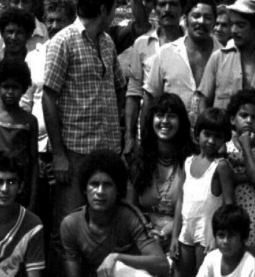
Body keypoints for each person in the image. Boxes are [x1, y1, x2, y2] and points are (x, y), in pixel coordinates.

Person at [42, 0, 126, 264]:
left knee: (102, 228)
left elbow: (118, 87)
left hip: (106, 153)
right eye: (114, 8)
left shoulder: (107, 41)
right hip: (75, 153)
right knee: (67, 228)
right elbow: (48, 98)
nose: (115, 14)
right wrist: (59, 154)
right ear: (103, 9)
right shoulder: (63, 41)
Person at [22, 0, 77, 247]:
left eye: (61, 21)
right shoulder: (34, 56)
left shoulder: (78, 52)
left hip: (66, 149)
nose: (55, 26)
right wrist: (31, 148)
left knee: (63, 218)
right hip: (37, 149)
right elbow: (25, 102)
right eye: (51, 20)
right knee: (36, 214)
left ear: (72, 22)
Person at [61, 149, 168, 277]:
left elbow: (162, 264)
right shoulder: (71, 224)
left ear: (118, 189)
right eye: (94, 184)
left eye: (107, 185)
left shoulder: (129, 216)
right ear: (85, 189)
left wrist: (117, 258)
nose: (100, 191)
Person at [171, 108, 235, 277]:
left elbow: (229, 206)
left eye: (218, 137)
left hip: (208, 233)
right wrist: (174, 237)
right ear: (197, 133)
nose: (211, 141)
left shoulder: (221, 166)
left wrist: (218, 237)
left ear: (224, 139)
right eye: (207, 134)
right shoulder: (188, 162)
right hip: (186, 231)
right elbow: (180, 201)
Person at [126, 0, 186, 157]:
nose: (167, 9)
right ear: (155, 8)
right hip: (149, 131)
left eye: (173, 4)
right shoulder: (142, 44)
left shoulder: (193, 44)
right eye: (162, 4)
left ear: (182, 9)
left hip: (184, 133)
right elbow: (134, 92)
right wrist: (130, 137)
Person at [128, 93, 195, 252]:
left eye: (171, 116)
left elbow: (194, 210)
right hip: (143, 237)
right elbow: (130, 209)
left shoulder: (191, 160)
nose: (165, 121)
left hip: (182, 239)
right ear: (151, 120)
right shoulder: (139, 160)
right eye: (160, 115)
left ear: (181, 122)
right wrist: (147, 232)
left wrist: (167, 231)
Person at [143, 0, 222, 127]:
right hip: (171, 139)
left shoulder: (224, 57)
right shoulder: (165, 53)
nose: (201, 21)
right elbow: (150, 99)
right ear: (185, 19)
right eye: (196, 16)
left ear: (214, 22)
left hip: (211, 140)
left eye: (207, 17)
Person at [197, 0, 255, 118]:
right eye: (232, 24)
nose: (234, 30)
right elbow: (204, 102)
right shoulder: (218, 58)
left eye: (241, 25)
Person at [0, 58, 38, 210]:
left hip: (18, 189)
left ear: (24, 89)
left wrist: (32, 200)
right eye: (6, 87)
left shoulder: (29, 121)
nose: (10, 92)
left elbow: (33, 162)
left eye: (15, 87)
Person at [225, 89, 255, 274]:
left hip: (251, 215)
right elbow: (222, 179)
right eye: (243, 115)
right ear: (232, 119)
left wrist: (245, 147)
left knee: (248, 259)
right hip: (229, 209)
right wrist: (244, 177)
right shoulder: (224, 146)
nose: (249, 121)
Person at [196, 204, 255, 277]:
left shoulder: (250, 266)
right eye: (221, 235)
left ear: (243, 238)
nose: (225, 241)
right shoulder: (211, 258)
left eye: (231, 235)